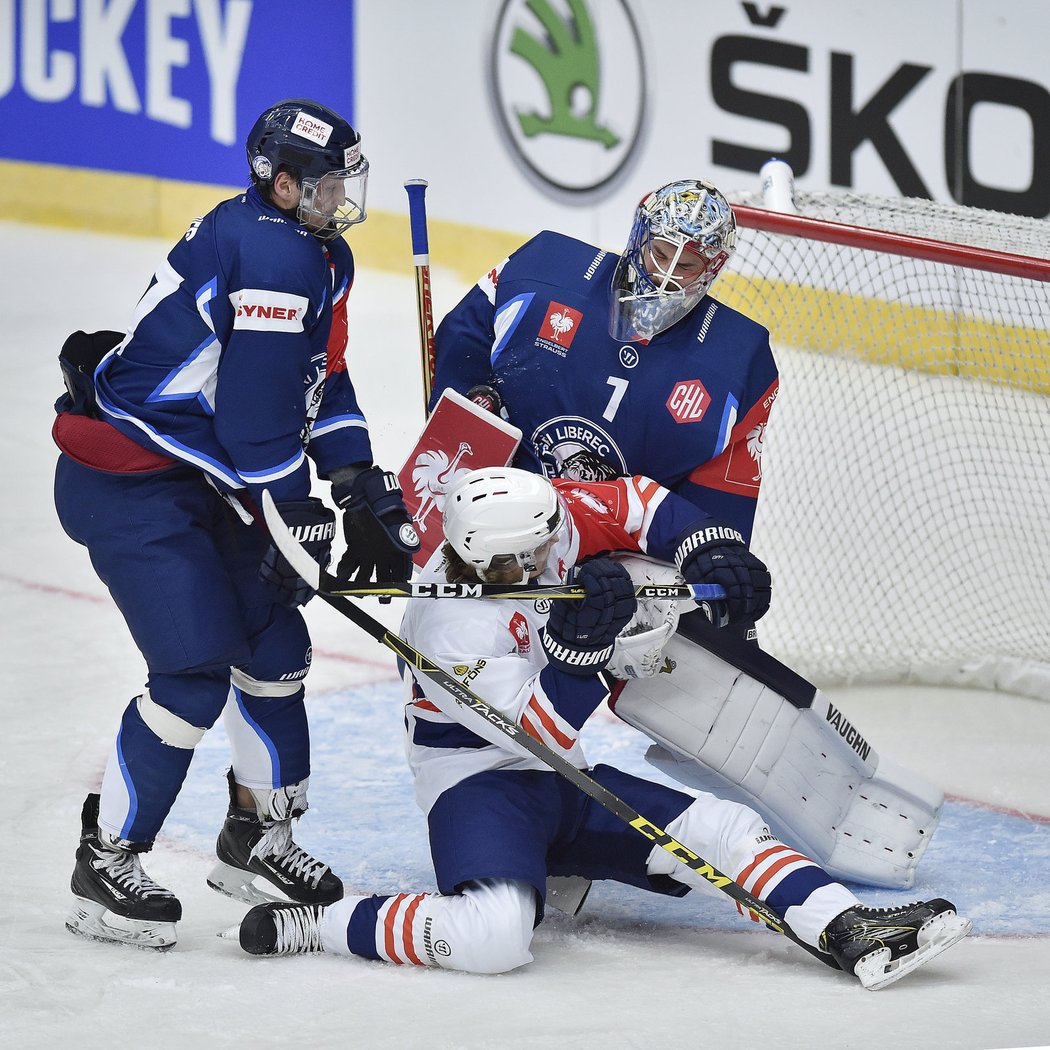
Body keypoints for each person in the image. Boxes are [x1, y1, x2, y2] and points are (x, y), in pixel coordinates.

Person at [229, 468, 969, 990]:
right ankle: (322, 925)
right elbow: (535, 733)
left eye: (546, 543)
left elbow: (640, 501)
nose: (546, 558)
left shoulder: (539, 517)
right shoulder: (443, 626)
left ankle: (849, 931)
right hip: (479, 786)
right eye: (520, 561)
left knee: (725, 828)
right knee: (494, 938)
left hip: (564, 780)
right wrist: (582, 654)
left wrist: (708, 548)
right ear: (477, 556)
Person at [53, 98, 419, 950]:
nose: (341, 199)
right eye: (326, 185)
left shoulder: (315, 251)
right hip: (131, 482)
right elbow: (257, 428)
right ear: (281, 183)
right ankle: (106, 861)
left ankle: (255, 837)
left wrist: (356, 476)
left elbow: (318, 379)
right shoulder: (271, 253)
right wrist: (296, 511)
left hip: (201, 472)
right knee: (192, 672)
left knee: (276, 647)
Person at [430, 178, 776, 559]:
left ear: (713, 267)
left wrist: (708, 569)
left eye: (688, 265)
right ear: (638, 237)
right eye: (660, 254)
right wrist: (473, 401)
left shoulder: (741, 367)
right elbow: (462, 350)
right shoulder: (540, 271)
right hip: (498, 515)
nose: (666, 276)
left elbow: (712, 525)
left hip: (621, 551)